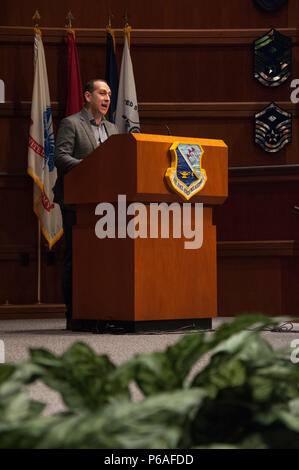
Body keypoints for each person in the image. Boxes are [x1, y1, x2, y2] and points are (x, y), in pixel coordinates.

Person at [53, 79, 119, 331]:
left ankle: (100, 310)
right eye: (102, 93)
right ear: (87, 96)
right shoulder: (72, 124)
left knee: (102, 259)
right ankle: (75, 314)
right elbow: (61, 157)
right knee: (77, 258)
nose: (107, 98)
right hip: (76, 201)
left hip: (106, 204)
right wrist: (90, 166)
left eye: (110, 95)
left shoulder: (113, 129)